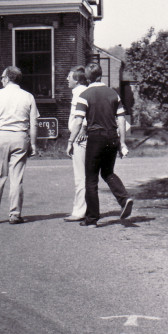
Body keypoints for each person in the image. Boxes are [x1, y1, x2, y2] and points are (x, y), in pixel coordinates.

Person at [70, 62, 133, 227]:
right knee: (108, 172)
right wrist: (122, 142)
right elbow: (121, 119)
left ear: (87, 77)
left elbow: (77, 121)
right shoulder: (113, 94)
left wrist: (71, 141)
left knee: (91, 179)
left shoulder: (85, 95)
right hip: (112, 137)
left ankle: (91, 219)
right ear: (101, 75)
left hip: (95, 138)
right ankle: (124, 198)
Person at [0, 65, 39, 224]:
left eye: (2, 77)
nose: (1, 80)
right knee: (16, 177)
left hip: (0, 135)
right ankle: (14, 214)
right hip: (20, 136)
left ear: (7, 78)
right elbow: (33, 123)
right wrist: (33, 144)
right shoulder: (28, 96)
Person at [63, 66, 89, 222]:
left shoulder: (80, 93)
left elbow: (82, 118)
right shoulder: (80, 92)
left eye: (69, 76)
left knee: (81, 176)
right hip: (82, 136)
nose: (67, 79)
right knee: (85, 175)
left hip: (80, 137)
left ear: (77, 79)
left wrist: (73, 139)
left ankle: (80, 211)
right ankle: (85, 208)